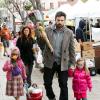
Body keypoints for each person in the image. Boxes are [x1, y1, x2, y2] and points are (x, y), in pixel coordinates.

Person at [43, 11, 75, 100]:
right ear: (55, 19)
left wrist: (72, 63)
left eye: (62, 20)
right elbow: (42, 44)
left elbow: (72, 49)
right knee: (47, 83)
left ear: (64, 21)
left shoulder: (69, 32)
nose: (60, 22)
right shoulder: (47, 30)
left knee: (63, 84)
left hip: (63, 62)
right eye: (58, 20)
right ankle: (52, 97)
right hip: (50, 61)